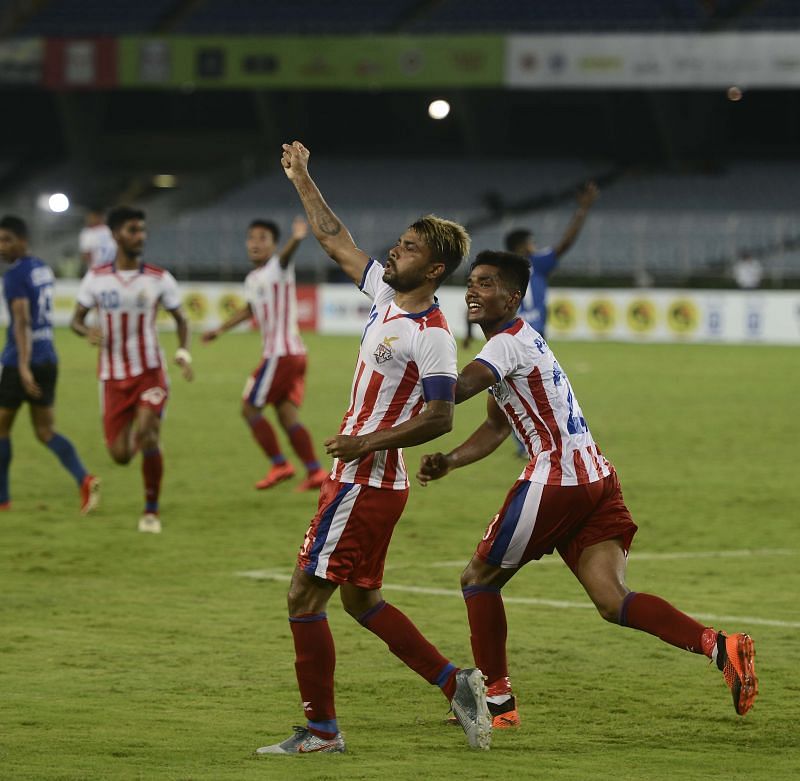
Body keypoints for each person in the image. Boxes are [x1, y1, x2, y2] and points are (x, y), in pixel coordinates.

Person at [418, 250, 758, 729]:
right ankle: (719, 647)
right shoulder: (518, 342)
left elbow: (452, 391)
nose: (474, 290)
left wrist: (410, 353)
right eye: (472, 282)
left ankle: (498, 703)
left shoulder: (506, 344)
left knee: (478, 579)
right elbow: (497, 427)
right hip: (595, 475)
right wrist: (452, 461)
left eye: (488, 283)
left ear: (513, 298)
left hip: (558, 477)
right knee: (612, 599)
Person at [255, 141, 491, 756]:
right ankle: (457, 682)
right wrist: (303, 177)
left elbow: (440, 416)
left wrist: (366, 441)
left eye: (410, 247)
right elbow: (334, 238)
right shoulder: (387, 297)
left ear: (435, 269)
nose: (395, 249)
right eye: (400, 241)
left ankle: (323, 732)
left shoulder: (433, 335)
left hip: (367, 482)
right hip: (364, 481)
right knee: (361, 599)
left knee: (303, 596)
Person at [70, 206, 193, 534]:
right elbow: (76, 320)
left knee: (149, 430)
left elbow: (182, 319)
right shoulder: (96, 278)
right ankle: (144, 434)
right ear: (115, 235)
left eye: (141, 230)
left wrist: (182, 352)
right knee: (121, 455)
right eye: (132, 230)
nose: (140, 236)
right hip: (112, 377)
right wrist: (87, 332)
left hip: (150, 372)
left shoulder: (158, 278)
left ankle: (151, 511)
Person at [202, 216, 326, 492]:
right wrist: (219, 330)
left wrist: (296, 238)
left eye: (263, 238)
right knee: (286, 416)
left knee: (249, 409)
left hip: (281, 354)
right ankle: (316, 472)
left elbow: (285, 258)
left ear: (273, 244)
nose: (255, 243)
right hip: (291, 354)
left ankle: (280, 464)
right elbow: (249, 310)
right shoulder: (253, 279)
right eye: (251, 238)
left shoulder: (276, 268)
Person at [0, 215, 100, 513]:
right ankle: (85, 478)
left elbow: (22, 320)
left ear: (23, 241)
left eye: (7, 240)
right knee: (45, 431)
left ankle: (2, 499)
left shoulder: (14, 275)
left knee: (1, 429)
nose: (1, 246)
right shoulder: (41, 268)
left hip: (22, 362)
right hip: (48, 357)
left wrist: (23, 365)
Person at [463, 182, 598, 349]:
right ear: (523, 246)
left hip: (509, 335)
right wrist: (582, 210)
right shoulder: (536, 263)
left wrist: (469, 333)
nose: (535, 246)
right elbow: (565, 243)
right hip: (530, 334)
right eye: (532, 242)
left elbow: (474, 301)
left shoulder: (497, 270)